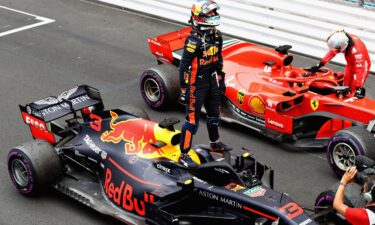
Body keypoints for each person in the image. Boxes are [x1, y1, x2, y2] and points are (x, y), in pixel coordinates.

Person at [178, 0, 231, 168]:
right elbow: (183, 66)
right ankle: (184, 155)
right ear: (199, 16)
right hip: (196, 85)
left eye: (214, 13)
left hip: (212, 81)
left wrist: (221, 79)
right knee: (192, 120)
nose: (213, 15)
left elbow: (219, 59)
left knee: (214, 115)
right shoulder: (193, 40)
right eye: (209, 13)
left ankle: (215, 143)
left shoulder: (217, 35)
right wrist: (184, 88)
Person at [310, 30, 371, 99]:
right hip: (350, 64)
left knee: (354, 90)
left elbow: (360, 70)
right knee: (345, 85)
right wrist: (319, 65)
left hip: (362, 65)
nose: (336, 50)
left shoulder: (357, 51)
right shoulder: (341, 39)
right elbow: (332, 53)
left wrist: (359, 87)